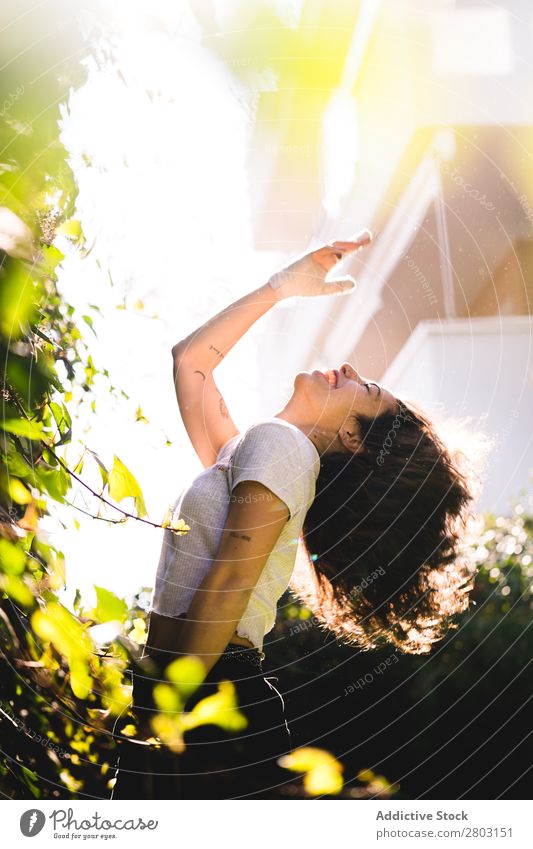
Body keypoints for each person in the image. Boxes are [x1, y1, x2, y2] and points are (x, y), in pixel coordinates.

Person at [112, 229, 475, 800]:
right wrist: (282, 287)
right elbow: (190, 363)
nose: (350, 367)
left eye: (368, 388)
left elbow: (231, 581)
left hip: (204, 681)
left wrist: (163, 712)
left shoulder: (282, 451)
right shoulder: (260, 452)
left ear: (354, 436)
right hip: (197, 679)